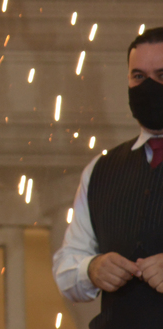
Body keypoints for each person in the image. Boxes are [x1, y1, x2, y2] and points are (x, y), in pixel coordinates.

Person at [53, 26, 163, 326]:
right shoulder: (101, 169)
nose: (148, 87)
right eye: (138, 76)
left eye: (161, 75)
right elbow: (67, 263)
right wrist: (91, 268)